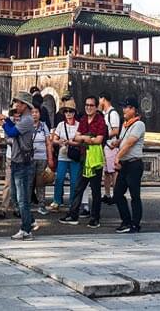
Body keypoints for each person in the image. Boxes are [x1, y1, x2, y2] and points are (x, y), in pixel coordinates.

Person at [60, 96, 107, 228]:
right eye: (87, 105)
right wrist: (88, 138)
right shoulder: (83, 120)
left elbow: (99, 140)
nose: (88, 107)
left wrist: (83, 138)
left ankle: (95, 217)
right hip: (84, 157)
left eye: (91, 105)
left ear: (96, 107)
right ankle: (73, 214)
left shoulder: (100, 121)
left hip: (95, 159)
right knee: (78, 187)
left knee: (95, 190)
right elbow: (76, 137)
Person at [1, 92, 37, 240]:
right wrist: (6, 120)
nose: (16, 106)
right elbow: (14, 129)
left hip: (22, 163)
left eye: (18, 103)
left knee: (22, 199)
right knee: (16, 196)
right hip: (17, 161)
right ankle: (30, 221)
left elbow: (12, 132)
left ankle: (26, 230)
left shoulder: (27, 120)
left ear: (25, 105)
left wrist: (3, 124)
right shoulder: (23, 119)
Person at [112, 97, 146, 233]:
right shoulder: (126, 124)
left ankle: (135, 224)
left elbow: (130, 143)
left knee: (134, 195)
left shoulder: (139, 124)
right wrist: (117, 143)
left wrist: (117, 156)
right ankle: (126, 221)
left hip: (134, 164)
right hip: (124, 164)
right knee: (118, 193)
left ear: (133, 109)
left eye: (126, 107)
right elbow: (124, 141)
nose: (123, 110)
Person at [50, 99, 81, 212]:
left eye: (70, 111)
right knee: (59, 179)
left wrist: (71, 142)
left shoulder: (79, 125)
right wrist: (59, 142)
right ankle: (57, 201)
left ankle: (73, 203)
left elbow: (81, 141)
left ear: (74, 113)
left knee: (74, 181)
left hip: (74, 156)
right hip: (63, 155)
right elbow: (54, 139)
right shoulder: (60, 125)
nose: (68, 113)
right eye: (66, 111)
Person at [99, 92, 121, 205]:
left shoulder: (113, 114)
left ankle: (116, 195)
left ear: (103, 99)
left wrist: (103, 136)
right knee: (107, 172)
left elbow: (116, 130)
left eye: (100, 99)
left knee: (113, 172)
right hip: (105, 145)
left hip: (111, 145)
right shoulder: (104, 113)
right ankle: (107, 194)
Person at [30, 106, 51, 215]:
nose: (34, 114)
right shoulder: (27, 125)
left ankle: (41, 205)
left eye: (36, 112)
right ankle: (26, 205)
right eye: (32, 112)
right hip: (29, 158)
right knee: (29, 182)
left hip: (42, 158)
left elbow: (48, 142)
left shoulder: (43, 125)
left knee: (41, 182)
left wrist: (50, 157)